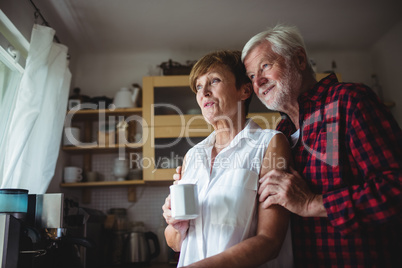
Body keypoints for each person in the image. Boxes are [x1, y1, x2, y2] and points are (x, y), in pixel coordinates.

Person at [240, 24, 402, 267]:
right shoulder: (279, 135)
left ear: (299, 59)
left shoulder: (349, 101)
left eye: (265, 66)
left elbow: (395, 188)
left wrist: (312, 203)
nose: (258, 81)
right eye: (252, 76)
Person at [162, 50, 294, 268]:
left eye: (214, 80)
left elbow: (270, 241)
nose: (204, 92)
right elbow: (175, 243)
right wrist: (175, 222)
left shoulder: (269, 144)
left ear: (244, 90)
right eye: (198, 86)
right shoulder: (192, 157)